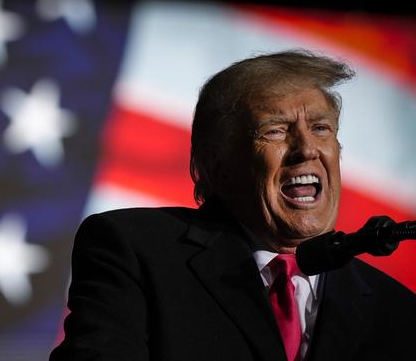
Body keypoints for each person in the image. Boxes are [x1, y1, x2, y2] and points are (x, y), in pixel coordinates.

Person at [49, 50, 416, 360]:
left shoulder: (397, 309)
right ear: (218, 166)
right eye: (276, 130)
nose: (307, 149)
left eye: (321, 128)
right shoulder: (135, 249)